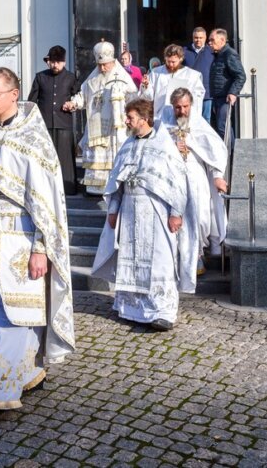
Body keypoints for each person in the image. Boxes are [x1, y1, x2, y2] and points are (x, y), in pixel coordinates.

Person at [0, 67, 75, 417]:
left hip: (21, 243)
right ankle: (26, 370)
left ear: (14, 94)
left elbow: (47, 202)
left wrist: (41, 248)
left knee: (14, 313)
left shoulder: (32, 140)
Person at [91, 98, 197, 330]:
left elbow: (178, 181)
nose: (126, 121)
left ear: (144, 118)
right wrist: (113, 209)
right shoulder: (127, 145)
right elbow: (118, 180)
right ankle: (131, 308)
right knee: (131, 258)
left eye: (130, 117)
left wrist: (176, 212)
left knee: (159, 260)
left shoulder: (164, 145)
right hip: (129, 209)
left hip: (156, 211)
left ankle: (162, 311)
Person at [158, 88, 229, 269]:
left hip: (195, 176)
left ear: (191, 105)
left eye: (185, 107)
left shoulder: (198, 124)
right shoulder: (163, 123)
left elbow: (215, 150)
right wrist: (171, 146)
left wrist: (217, 176)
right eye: (178, 108)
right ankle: (175, 260)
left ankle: (196, 256)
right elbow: (154, 147)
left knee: (200, 215)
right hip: (171, 177)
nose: (182, 111)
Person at [62, 41, 138, 195]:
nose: (103, 68)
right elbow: (83, 95)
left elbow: (133, 97)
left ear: (112, 61)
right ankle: (96, 189)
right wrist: (73, 103)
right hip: (95, 126)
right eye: (100, 65)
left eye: (106, 65)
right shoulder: (93, 79)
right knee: (97, 156)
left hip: (114, 128)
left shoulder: (121, 77)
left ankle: (114, 187)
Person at [27, 46, 81, 195]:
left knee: (65, 158)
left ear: (63, 62)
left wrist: (72, 105)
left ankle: (67, 188)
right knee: (45, 157)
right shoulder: (40, 77)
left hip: (64, 124)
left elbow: (78, 98)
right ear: (48, 62)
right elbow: (32, 101)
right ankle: (44, 188)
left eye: (58, 62)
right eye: (52, 62)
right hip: (43, 125)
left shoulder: (71, 77)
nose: (55, 65)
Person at [140, 43, 206, 121]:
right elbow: (148, 97)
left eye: (174, 62)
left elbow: (198, 96)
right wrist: (146, 87)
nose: (171, 65)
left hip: (182, 115)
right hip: (161, 116)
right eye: (168, 61)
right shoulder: (156, 73)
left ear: (181, 59)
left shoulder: (192, 75)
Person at [208, 28, 247, 149]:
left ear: (222, 40)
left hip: (225, 98)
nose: (209, 42)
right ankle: (228, 156)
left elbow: (240, 76)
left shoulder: (229, 53)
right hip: (218, 97)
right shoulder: (218, 55)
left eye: (212, 40)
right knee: (222, 128)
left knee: (222, 127)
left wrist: (233, 92)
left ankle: (229, 157)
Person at [182, 26, 215, 122]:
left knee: (206, 119)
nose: (198, 40)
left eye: (201, 38)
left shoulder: (212, 52)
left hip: (207, 92)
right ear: (192, 38)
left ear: (205, 38)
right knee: (189, 119)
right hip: (189, 91)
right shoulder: (184, 51)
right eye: (196, 38)